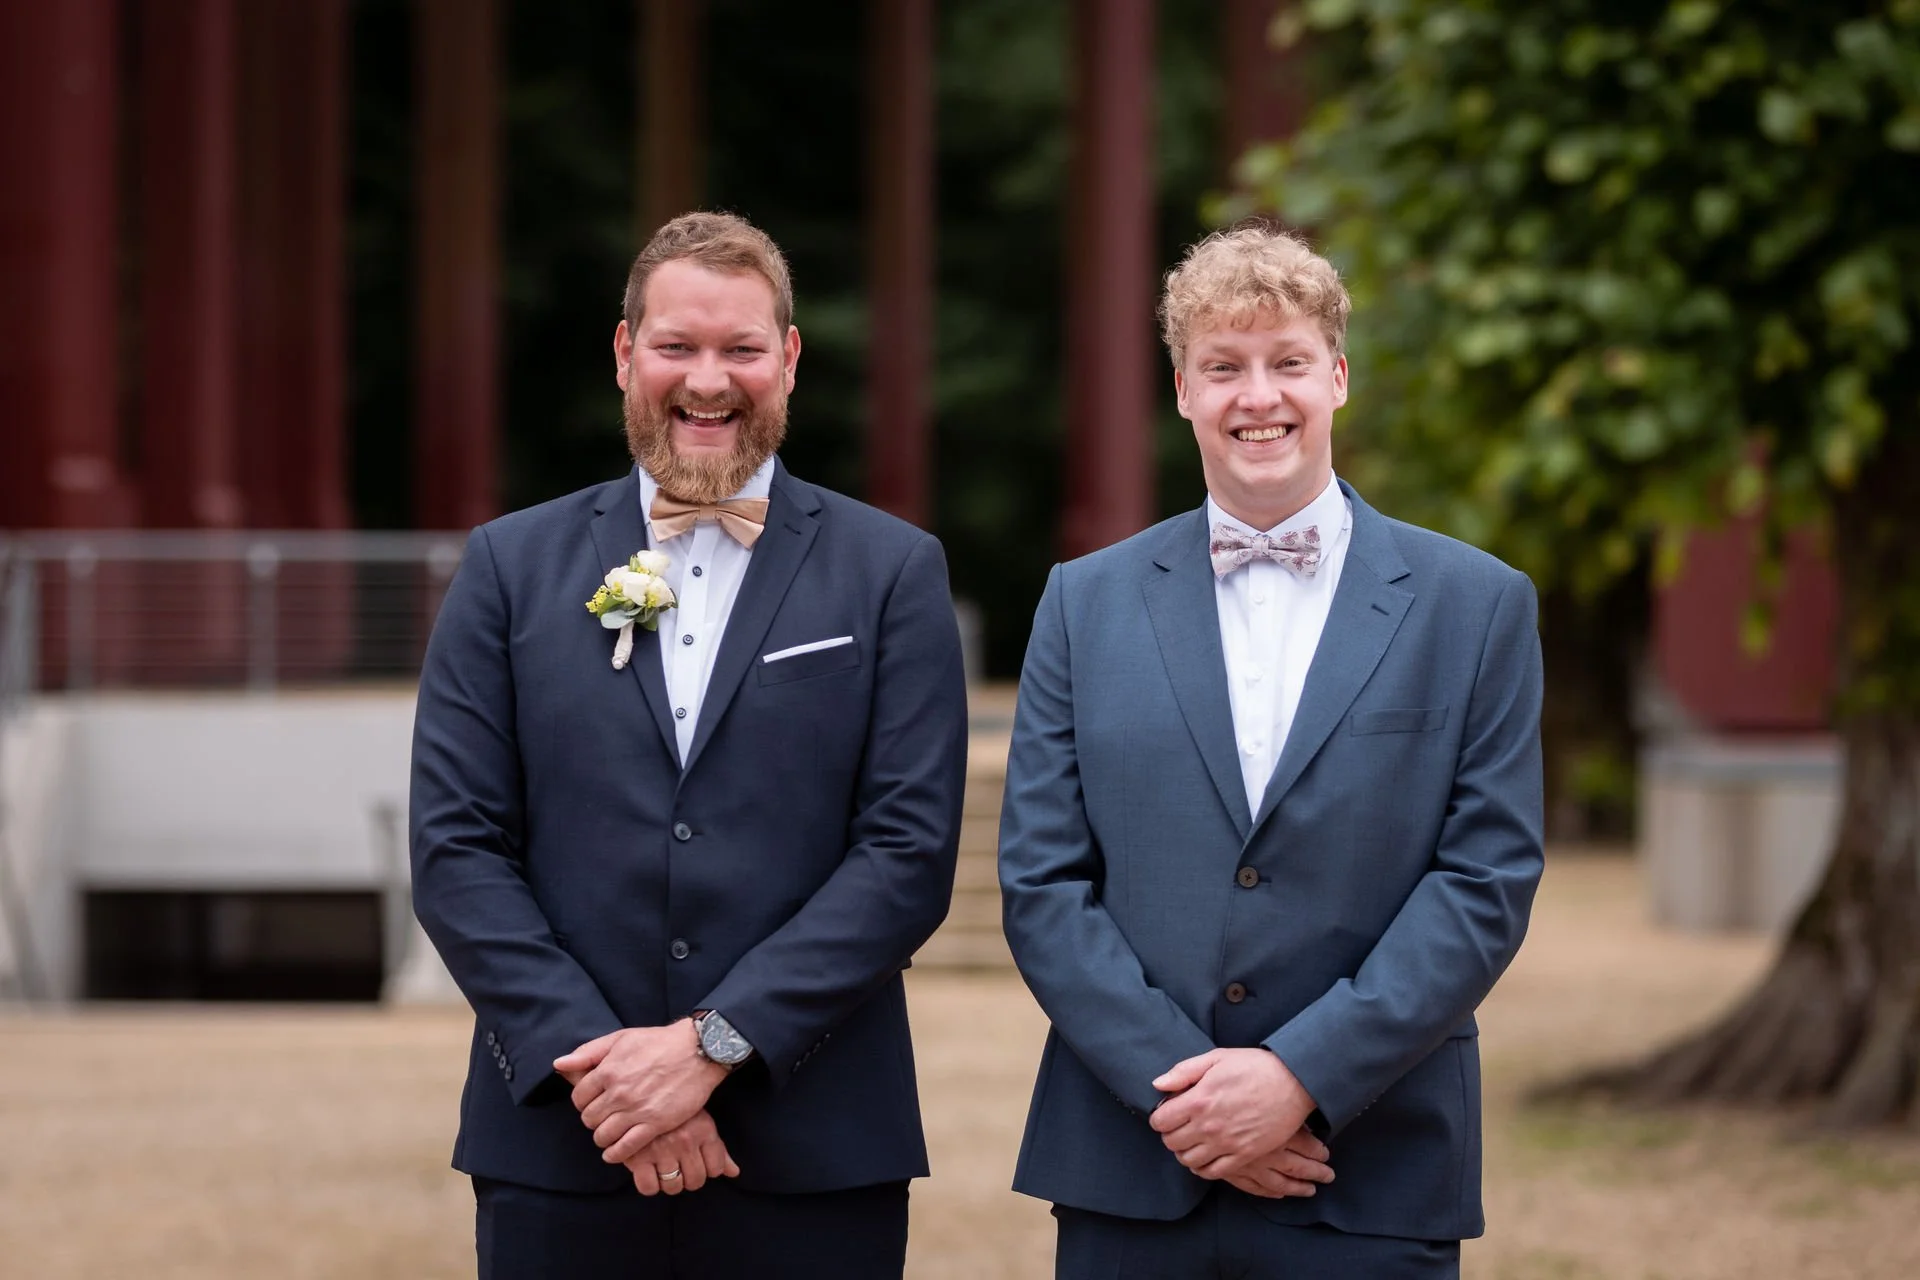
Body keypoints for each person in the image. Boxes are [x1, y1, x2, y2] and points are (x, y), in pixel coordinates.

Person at [410, 210, 968, 1280]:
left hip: (813, 1147)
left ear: (790, 361)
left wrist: (711, 1045)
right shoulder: (508, 567)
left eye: (742, 349)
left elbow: (906, 854)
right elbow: (457, 847)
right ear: (626, 353)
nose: (708, 381)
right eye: (677, 346)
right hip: (564, 1143)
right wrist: (613, 1078)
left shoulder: (892, 570)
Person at [998, 222, 1544, 1279]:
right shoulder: (1083, 602)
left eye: (1288, 362)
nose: (1260, 396)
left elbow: (1485, 880)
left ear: (1337, 376)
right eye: (1225, 367)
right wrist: (1189, 1090)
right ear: (1183, 391)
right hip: (1133, 1167)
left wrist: (1296, 1075)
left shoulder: (1476, 606)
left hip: (1370, 1167)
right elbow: (1043, 881)